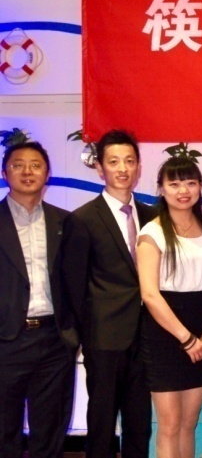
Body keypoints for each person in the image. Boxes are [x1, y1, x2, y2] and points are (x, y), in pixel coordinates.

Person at [62, 129, 158, 458]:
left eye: (129, 161)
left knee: (139, 424)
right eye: (114, 161)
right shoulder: (83, 219)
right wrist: (83, 336)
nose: (122, 168)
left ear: (139, 167)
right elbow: (74, 285)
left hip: (146, 337)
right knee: (102, 424)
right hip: (103, 339)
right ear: (100, 168)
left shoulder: (152, 216)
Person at [136, 156, 202, 458]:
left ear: (200, 187)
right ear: (161, 189)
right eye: (174, 184)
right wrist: (186, 339)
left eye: (190, 183)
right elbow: (150, 295)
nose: (183, 190)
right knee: (170, 424)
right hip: (165, 334)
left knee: (188, 423)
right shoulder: (152, 233)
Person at [0, 141, 75, 458]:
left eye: (35, 165)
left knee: (50, 431)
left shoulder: (66, 222)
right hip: (6, 342)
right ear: (5, 173)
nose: (27, 172)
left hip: (54, 341)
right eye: (18, 165)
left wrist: (74, 333)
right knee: (4, 432)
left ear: (47, 173)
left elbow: (77, 281)